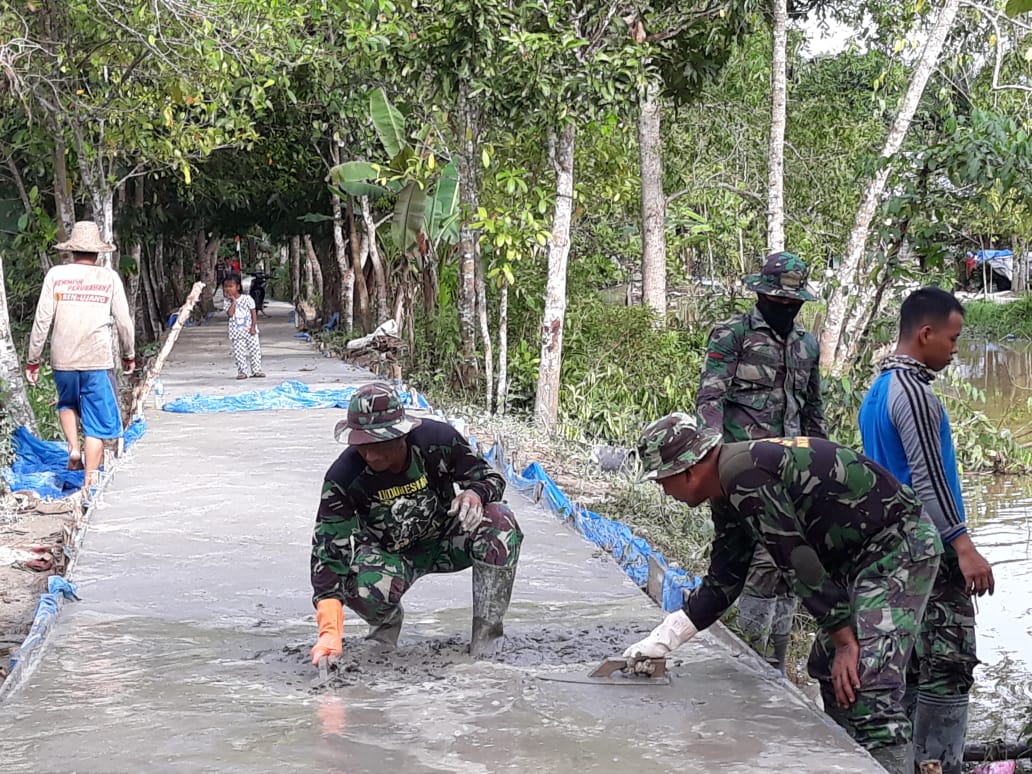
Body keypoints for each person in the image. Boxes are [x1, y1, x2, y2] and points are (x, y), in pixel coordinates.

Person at [621, 414, 942, 773]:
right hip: (857, 557)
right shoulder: (726, 488)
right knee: (827, 668)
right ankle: (852, 760)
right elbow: (725, 580)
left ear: (688, 470)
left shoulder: (745, 477)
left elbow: (796, 561)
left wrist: (845, 642)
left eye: (663, 481)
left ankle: (886, 760)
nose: (665, 492)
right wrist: (664, 638)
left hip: (898, 546)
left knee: (870, 684)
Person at [859, 287, 995, 774]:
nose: (955, 351)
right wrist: (963, 545)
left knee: (913, 663)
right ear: (925, 333)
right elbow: (929, 479)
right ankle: (943, 764)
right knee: (949, 664)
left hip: (895, 550)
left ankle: (910, 764)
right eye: (953, 340)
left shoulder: (878, 390)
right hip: (930, 549)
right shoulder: (914, 394)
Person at [309, 383, 523, 666]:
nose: (371, 456)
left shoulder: (437, 440)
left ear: (402, 434)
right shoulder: (343, 476)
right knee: (360, 588)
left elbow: (491, 478)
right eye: (362, 446)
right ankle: (385, 626)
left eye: (379, 445)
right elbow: (327, 554)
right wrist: (329, 631)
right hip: (390, 556)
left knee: (500, 519)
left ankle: (487, 637)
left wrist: (475, 494)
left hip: (446, 539)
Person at [696, 251, 827, 673]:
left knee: (788, 565)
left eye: (793, 302)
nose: (786, 307)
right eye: (778, 300)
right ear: (761, 294)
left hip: (791, 471)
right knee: (746, 563)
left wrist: (822, 467)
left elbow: (812, 410)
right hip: (740, 469)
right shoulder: (733, 335)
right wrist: (714, 459)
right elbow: (710, 399)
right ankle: (752, 660)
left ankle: (775, 664)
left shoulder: (807, 345)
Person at [24, 220, 135, 491]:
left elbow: (42, 320)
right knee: (96, 424)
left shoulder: (56, 275)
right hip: (97, 359)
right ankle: (88, 482)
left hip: (63, 358)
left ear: (72, 250)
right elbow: (124, 321)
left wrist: (33, 359)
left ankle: (73, 448)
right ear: (97, 252)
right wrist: (129, 354)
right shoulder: (109, 278)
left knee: (67, 403)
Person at [223, 273, 264, 380]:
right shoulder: (227, 301)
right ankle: (242, 372)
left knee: (255, 350)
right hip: (236, 333)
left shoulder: (247, 298)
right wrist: (233, 302)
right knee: (239, 353)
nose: (228, 289)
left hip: (250, 330)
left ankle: (256, 370)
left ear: (237, 287)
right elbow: (230, 314)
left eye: (230, 286)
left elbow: (253, 312)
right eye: (226, 286)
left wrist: (253, 326)